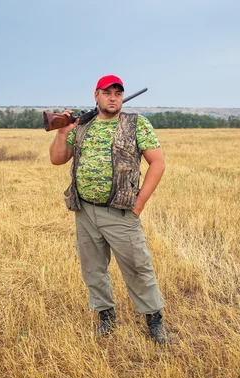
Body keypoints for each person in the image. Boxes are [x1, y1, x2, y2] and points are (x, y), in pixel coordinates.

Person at [49, 75, 170, 344]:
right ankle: (106, 316)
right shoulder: (83, 126)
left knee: (138, 267)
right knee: (93, 268)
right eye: (107, 92)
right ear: (96, 95)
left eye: (118, 92)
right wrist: (62, 132)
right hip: (85, 211)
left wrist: (139, 205)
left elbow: (158, 164)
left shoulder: (136, 124)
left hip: (121, 212)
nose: (113, 97)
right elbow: (57, 159)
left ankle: (154, 320)